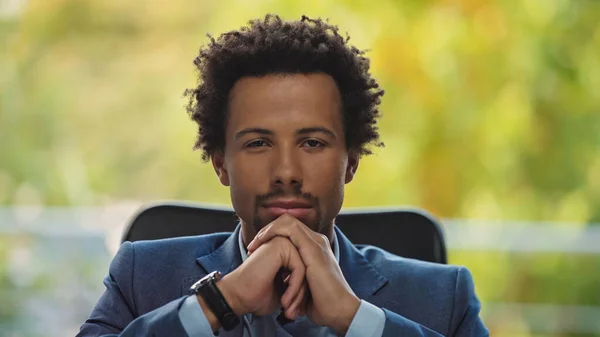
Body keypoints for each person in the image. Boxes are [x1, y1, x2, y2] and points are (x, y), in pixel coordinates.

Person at [78, 14, 489, 337]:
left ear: (352, 161)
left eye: (312, 143)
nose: (287, 173)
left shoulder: (443, 296)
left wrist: (353, 318)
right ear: (221, 162)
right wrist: (222, 301)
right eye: (258, 143)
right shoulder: (141, 275)